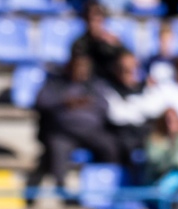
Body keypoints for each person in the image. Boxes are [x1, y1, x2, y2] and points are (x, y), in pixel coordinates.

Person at [28, 54, 127, 198]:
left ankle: (110, 187)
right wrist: (64, 102)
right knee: (56, 150)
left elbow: (106, 106)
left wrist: (88, 104)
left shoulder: (95, 85)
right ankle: (62, 190)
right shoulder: (57, 84)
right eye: (78, 67)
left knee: (111, 147)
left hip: (92, 132)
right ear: (70, 67)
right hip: (63, 132)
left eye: (84, 67)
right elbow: (41, 102)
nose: (81, 70)